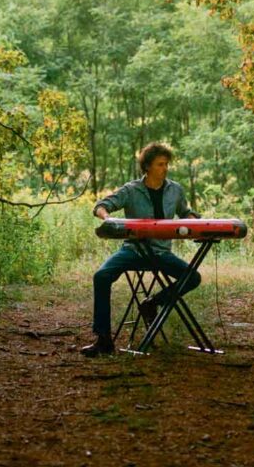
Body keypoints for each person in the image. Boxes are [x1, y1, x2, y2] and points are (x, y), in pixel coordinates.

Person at [81, 141, 201, 357]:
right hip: (133, 251)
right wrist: (108, 218)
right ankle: (103, 339)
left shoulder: (175, 189)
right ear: (147, 166)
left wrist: (196, 223)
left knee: (193, 277)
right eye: (160, 164)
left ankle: (152, 303)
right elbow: (100, 206)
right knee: (101, 276)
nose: (165, 168)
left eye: (166, 164)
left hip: (161, 253)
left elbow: (186, 213)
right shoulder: (131, 190)